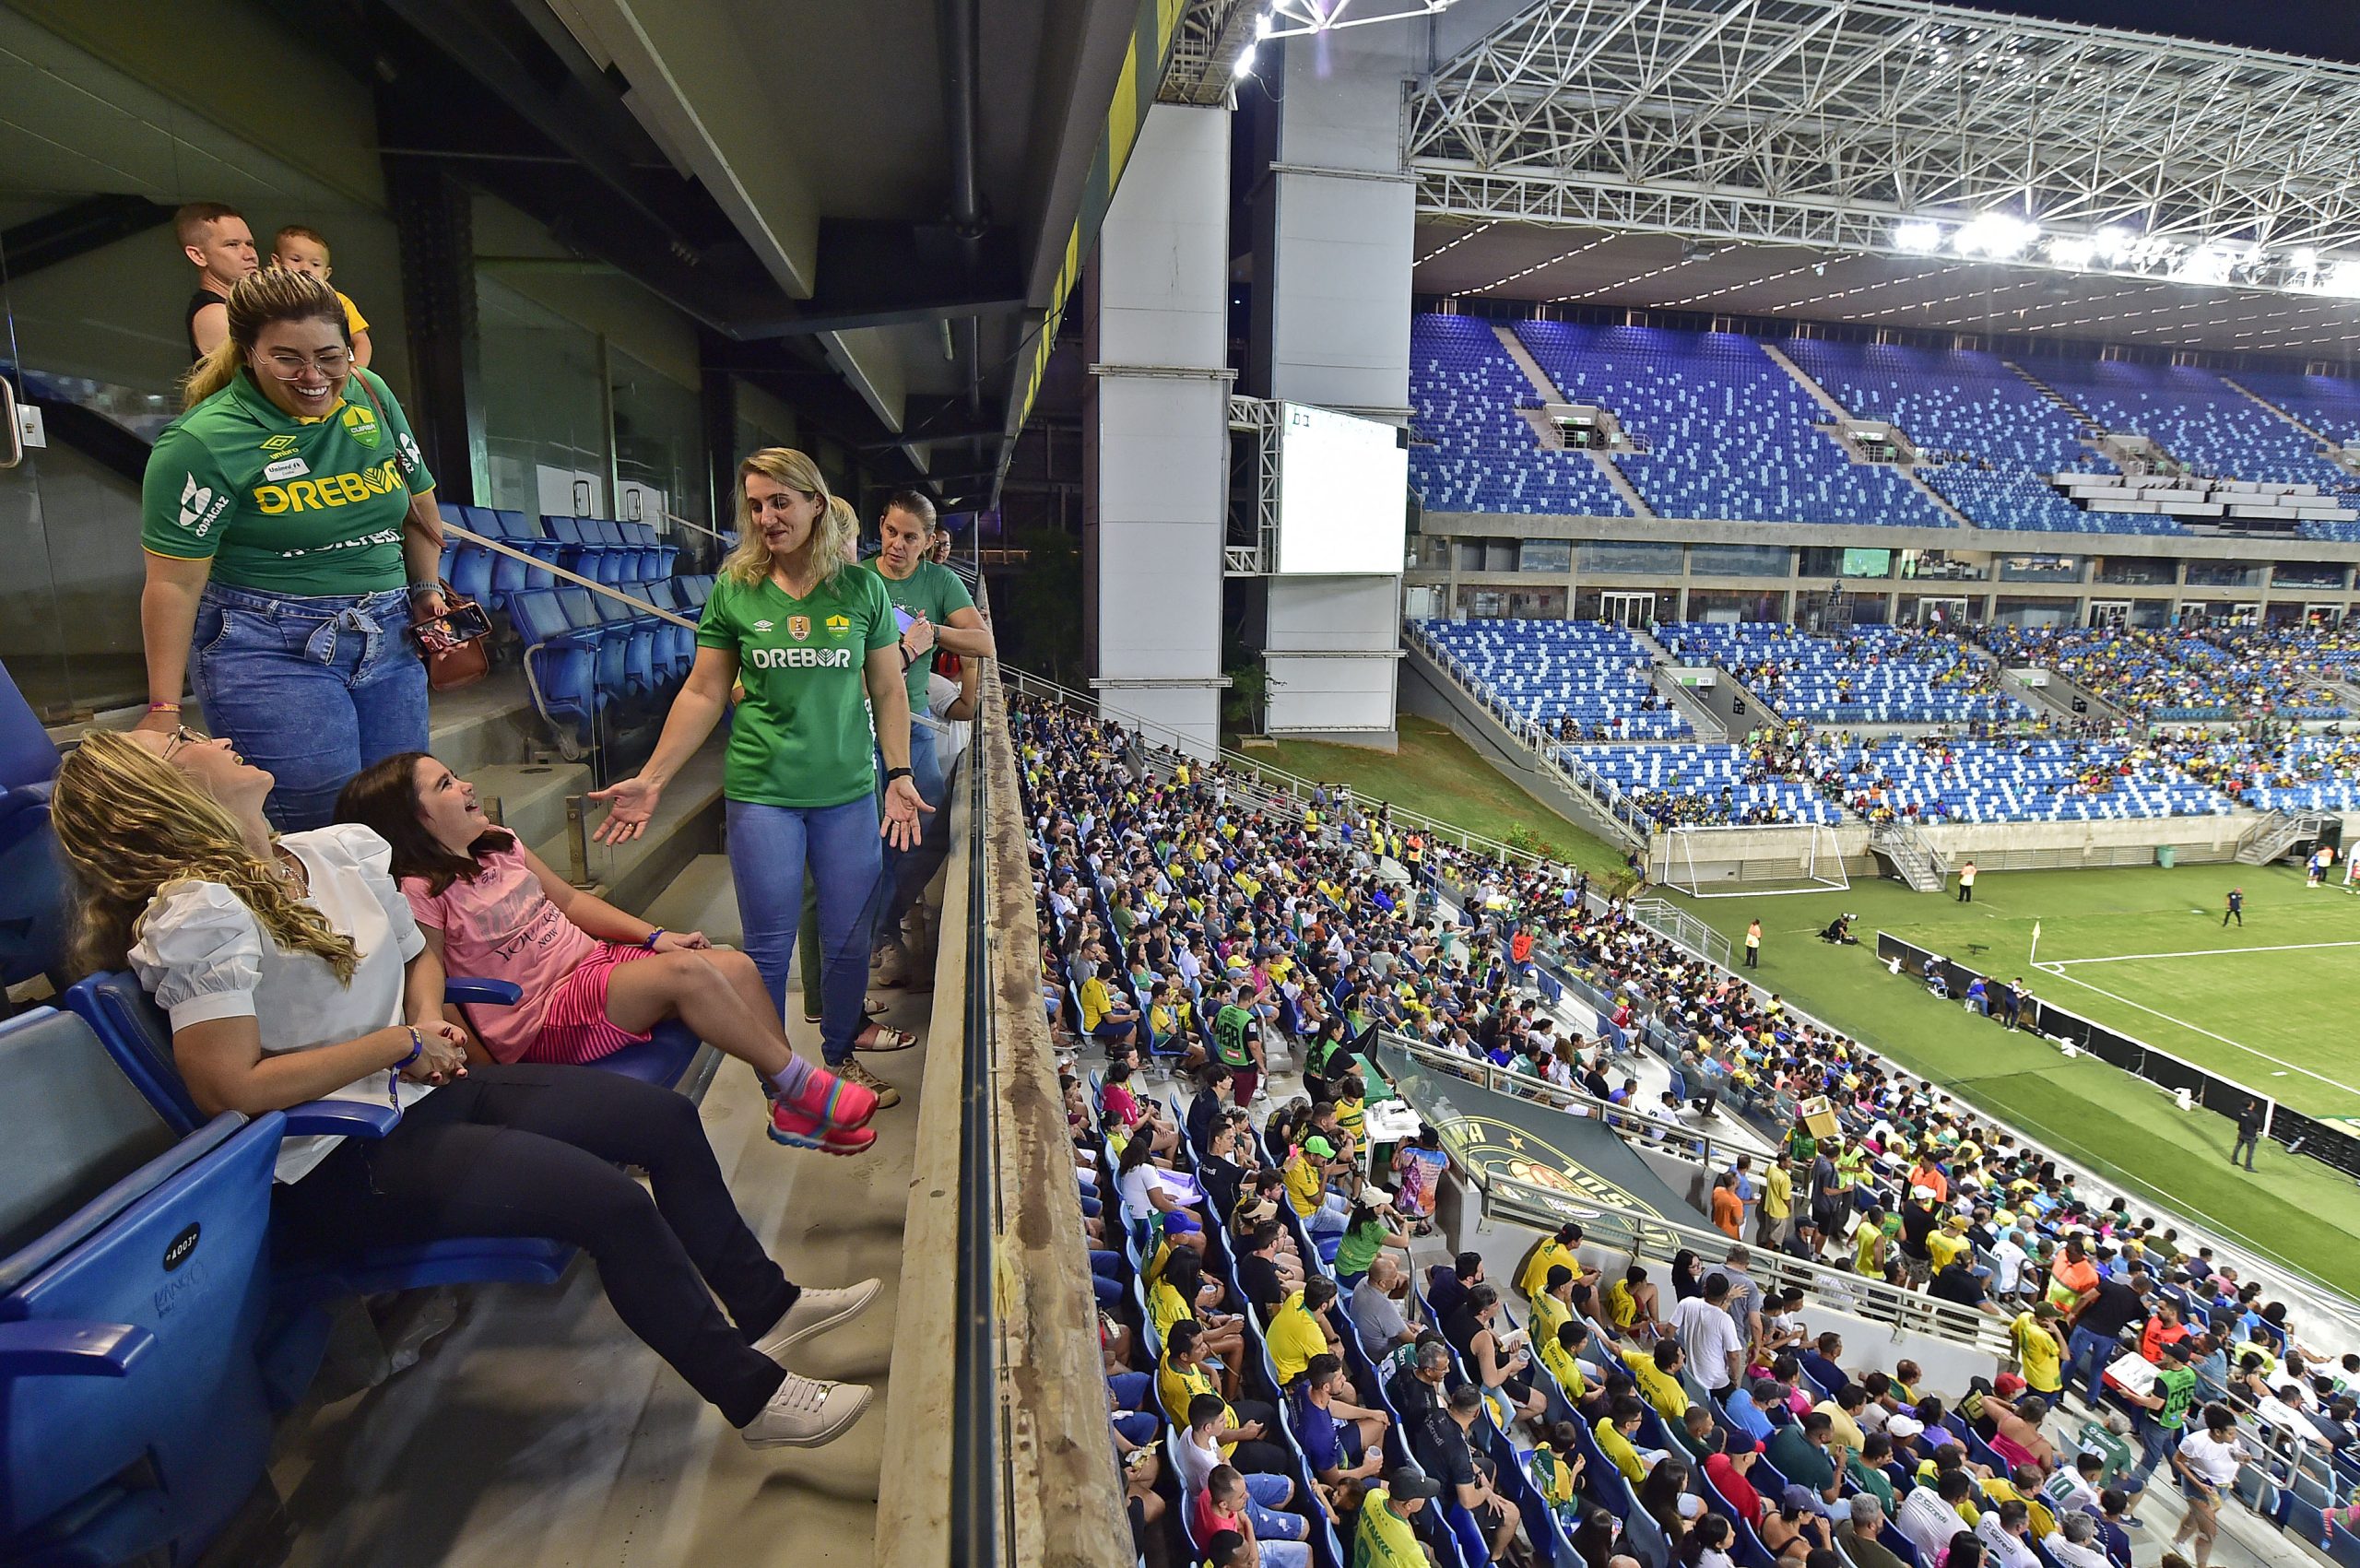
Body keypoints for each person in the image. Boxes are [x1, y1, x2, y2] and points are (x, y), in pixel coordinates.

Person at [51, 728, 881, 1449]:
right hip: (342, 1155)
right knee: (613, 1205)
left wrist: (426, 1024)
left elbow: (418, 951)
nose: (210, 736)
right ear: (162, 791)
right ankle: (754, 1397)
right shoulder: (197, 911)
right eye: (179, 743)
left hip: (418, 1092)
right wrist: (399, 1040)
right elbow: (228, 1085)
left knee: (660, 1119)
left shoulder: (329, 850)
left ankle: (767, 1303)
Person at [590, 449, 927, 1112]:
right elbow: (703, 691)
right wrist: (654, 776)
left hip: (847, 793)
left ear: (815, 505)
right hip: (763, 793)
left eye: (780, 502)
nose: (767, 517)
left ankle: (838, 1055)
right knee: (766, 946)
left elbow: (889, 688)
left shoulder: (862, 590)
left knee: (849, 935)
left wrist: (898, 771)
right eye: (755, 505)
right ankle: (783, 1081)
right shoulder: (736, 588)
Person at [337, 752, 877, 1152]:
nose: (468, 784)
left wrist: (653, 936)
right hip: (543, 1014)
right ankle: (804, 1083)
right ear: (411, 819)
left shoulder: (500, 844)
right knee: (689, 974)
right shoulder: (418, 891)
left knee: (733, 964)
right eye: (446, 785)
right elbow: (425, 965)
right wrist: (441, 1031)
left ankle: (786, 1103)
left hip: (593, 968)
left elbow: (570, 901)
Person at [139, 268, 451, 831]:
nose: (314, 377)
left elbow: (418, 504)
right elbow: (173, 583)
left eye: (331, 357)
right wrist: (164, 709)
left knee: (406, 818)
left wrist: (426, 589)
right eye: (286, 359)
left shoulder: (371, 394)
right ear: (248, 351)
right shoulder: (202, 442)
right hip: (268, 646)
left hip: (389, 636)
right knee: (327, 831)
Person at [861, 491, 993, 982]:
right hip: (859, 725)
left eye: (909, 537)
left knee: (930, 832)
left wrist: (930, 631)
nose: (896, 544)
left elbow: (982, 641)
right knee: (872, 840)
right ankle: (876, 936)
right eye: (891, 532)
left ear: (929, 542)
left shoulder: (938, 580)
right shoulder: (859, 578)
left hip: (912, 723)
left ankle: (880, 926)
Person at [267, 224, 372, 368]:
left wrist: (355, 374)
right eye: (296, 260)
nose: (305, 268)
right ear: (277, 262)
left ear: (326, 273)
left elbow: (362, 341)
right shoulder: (267, 299)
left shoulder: (338, 301)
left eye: (315, 264)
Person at [176, 200, 257, 359]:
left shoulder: (238, 308)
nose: (250, 255)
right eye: (232, 245)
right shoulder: (215, 315)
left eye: (250, 244)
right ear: (198, 256)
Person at [2170, 1406, 2245, 1568]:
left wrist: (2240, 1465)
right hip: (2199, 1486)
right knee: (2210, 1532)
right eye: (2230, 1433)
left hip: (2221, 1488)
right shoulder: (2195, 1442)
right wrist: (2199, 1484)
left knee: (2197, 1517)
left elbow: (2234, 1457)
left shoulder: (2233, 1442)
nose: (2235, 1436)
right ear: (2218, 1432)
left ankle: (2178, 1540)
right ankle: (2201, 1566)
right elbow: (2178, 1460)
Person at [1354, 1468, 1440, 1568]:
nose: (1425, 1499)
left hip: (1360, 1561)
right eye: (1423, 1496)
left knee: (1426, 1549)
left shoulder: (1373, 1495)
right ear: (1408, 1505)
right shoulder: (1410, 1552)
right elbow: (1409, 1551)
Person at [1839, 1494, 1908, 1568]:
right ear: (1871, 1526)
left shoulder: (1841, 1526)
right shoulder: (1887, 1560)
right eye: (1880, 1518)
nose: (1884, 1518)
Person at [2230, 1099, 2263, 1172]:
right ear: (2251, 1104)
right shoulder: (2254, 1116)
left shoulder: (2241, 1112)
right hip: (2250, 1135)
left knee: (2238, 1146)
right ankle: (2248, 1166)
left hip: (2242, 1132)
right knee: (2250, 1151)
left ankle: (2233, 1160)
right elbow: (2258, 1126)